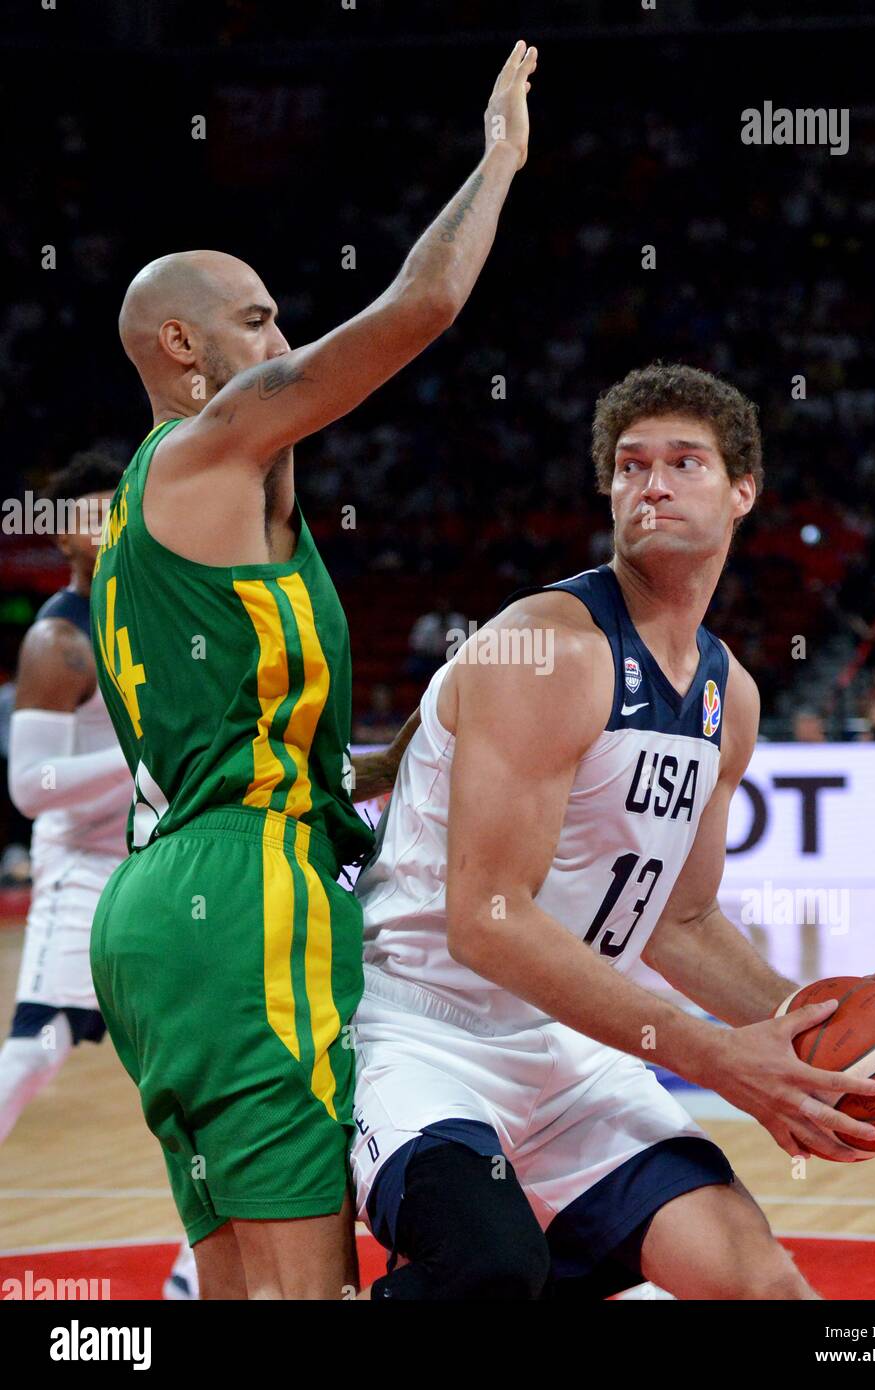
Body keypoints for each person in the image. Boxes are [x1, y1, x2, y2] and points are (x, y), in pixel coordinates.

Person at [88, 40, 538, 1300]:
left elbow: (253, 721)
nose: (284, 337)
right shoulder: (207, 449)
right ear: (181, 343)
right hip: (248, 892)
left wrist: (428, 739)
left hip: (158, 907)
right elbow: (419, 310)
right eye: (259, 318)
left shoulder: (144, 518)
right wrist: (497, 160)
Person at [349, 362, 875, 1301]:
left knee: (764, 1290)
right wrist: (712, 1057)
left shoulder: (728, 696)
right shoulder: (548, 647)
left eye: (683, 463)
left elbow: (682, 922)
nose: (651, 485)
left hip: (572, 1049)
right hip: (425, 1037)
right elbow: (488, 919)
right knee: (489, 1271)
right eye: (630, 467)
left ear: (744, 490)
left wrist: (820, 1039)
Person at [2, 454, 196, 1296]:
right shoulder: (61, 636)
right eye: (89, 514)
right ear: (62, 540)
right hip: (84, 867)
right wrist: (139, 754)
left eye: (116, 506)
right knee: (37, 1051)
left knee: (198, 1066)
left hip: (164, 863)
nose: (108, 521)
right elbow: (27, 787)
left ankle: (196, 1270)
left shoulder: (158, 610)